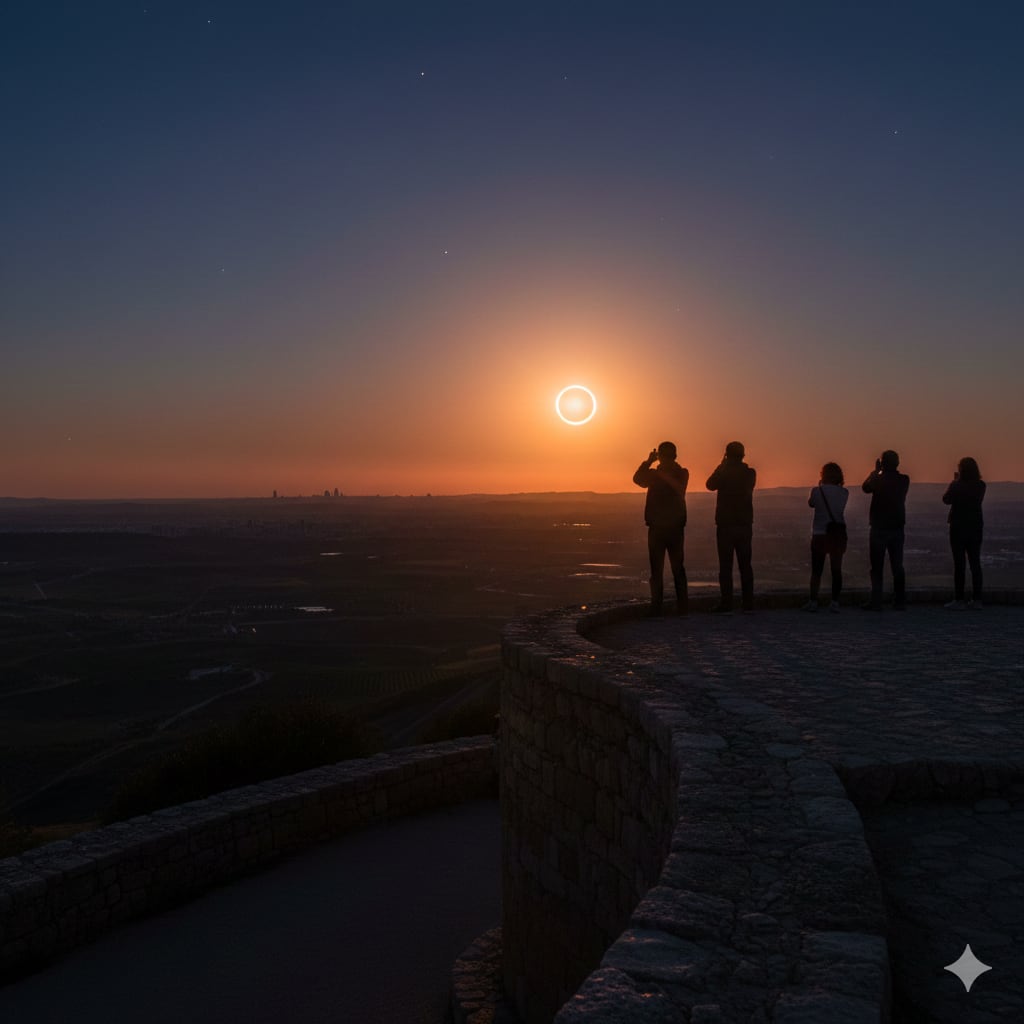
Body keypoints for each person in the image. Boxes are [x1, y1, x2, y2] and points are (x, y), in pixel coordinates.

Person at [633, 441, 689, 615]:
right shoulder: (682, 473)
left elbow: (637, 479)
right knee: (678, 568)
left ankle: (656, 607)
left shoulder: (655, 476)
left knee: (656, 570)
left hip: (657, 528)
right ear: (675, 455)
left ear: (660, 457)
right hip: (675, 529)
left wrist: (649, 461)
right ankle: (682, 606)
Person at [706, 441, 756, 613]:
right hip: (744, 524)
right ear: (742, 455)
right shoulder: (750, 473)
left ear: (727, 455)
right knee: (745, 565)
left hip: (726, 524)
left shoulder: (724, 473)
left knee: (726, 566)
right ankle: (748, 602)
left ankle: (726, 602)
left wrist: (721, 466)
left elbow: (710, 485)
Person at [861, 450, 910, 610]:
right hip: (896, 528)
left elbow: (865, 488)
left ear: (882, 463)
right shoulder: (904, 480)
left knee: (877, 567)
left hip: (879, 528)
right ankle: (900, 601)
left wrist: (875, 472)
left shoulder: (879, 479)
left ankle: (876, 601)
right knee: (897, 566)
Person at [802, 462, 849, 612]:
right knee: (836, 570)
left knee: (817, 570)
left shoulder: (817, 491)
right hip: (837, 535)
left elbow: (811, 504)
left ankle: (813, 601)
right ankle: (835, 602)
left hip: (820, 534)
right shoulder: (844, 493)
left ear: (823, 475)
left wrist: (819, 486)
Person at [942, 457, 986, 609]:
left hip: (958, 527)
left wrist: (954, 483)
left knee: (959, 564)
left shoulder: (956, 485)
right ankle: (977, 599)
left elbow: (946, 500)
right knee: (975, 563)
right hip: (975, 527)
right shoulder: (981, 485)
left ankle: (959, 599)